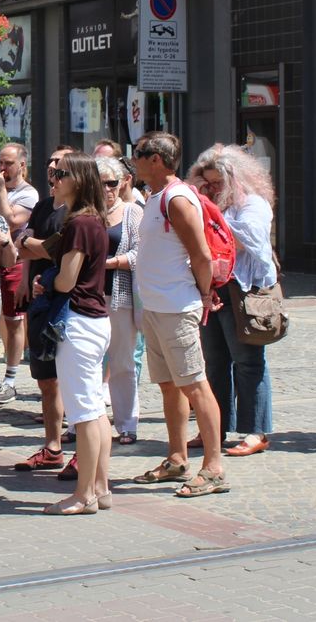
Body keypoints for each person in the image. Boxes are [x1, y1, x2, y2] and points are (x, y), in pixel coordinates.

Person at [130, 131, 228, 499]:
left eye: (139, 153)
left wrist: (204, 294)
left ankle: (214, 468)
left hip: (176, 307)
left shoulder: (177, 198)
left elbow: (201, 254)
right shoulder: (155, 197)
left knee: (195, 384)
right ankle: (177, 457)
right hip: (156, 307)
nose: (134, 159)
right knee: (170, 385)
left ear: (156, 159)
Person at [187, 144, 277, 458]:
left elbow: (247, 238)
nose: (211, 189)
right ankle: (215, 427)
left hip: (244, 290)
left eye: (217, 184)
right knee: (214, 362)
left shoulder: (252, 203)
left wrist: (207, 214)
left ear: (234, 180)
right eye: (206, 183)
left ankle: (256, 431)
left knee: (248, 362)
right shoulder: (208, 205)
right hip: (211, 288)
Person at [42, 153, 112, 515]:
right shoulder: (91, 220)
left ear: (79, 180)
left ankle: (84, 494)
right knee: (95, 409)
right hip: (95, 320)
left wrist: (45, 280)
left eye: (60, 174)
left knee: (84, 413)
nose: (53, 179)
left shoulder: (80, 223)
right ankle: (99, 487)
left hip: (80, 322)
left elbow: (67, 280)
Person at [13, 145, 73, 475]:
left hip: (69, 303)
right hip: (40, 299)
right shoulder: (45, 206)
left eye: (60, 170)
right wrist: (33, 256)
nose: (53, 175)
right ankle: (52, 447)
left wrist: (38, 247)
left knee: (73, 379)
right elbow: (24, 243)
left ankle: (79, 447)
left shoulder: (83, 212)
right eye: (51, 169)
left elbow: (56, 249)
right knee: (46, 379)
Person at [95, 155, 142, 446]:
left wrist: (112, 263)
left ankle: (127, 424)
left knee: (122, 362)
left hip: (120, 296)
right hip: (88, 298)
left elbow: (142, 253)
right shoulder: (86, 214)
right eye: (102, 184)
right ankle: (86, 424)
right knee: (89, 361)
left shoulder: (132, 213)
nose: (108, 190)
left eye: (112, 183)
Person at [0, 142, 39, 404]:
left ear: (22, 165)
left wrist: (0, 191)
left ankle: (10, 379)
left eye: (8, 163)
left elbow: (12, 222)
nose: (2, 168)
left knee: (14, 320)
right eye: (1, 162)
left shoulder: (28, 194)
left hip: (15, 263)